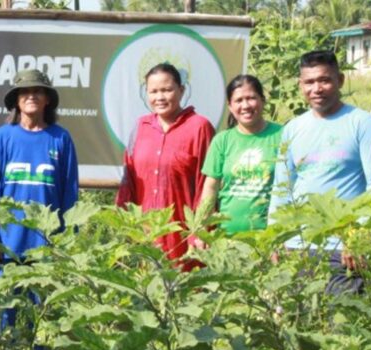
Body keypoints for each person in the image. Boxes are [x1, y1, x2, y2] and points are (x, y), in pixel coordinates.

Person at [268, 50, 371, 294]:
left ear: (340, 81)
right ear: (300, 85)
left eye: (324, 80)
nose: (317, 88)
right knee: (301, 326)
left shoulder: (363, 123)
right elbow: (282, 188)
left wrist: (359, 239)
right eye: (309, 82)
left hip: (344, 248)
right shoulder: (292, 129)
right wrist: (276, 238)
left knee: (343, 324)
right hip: (299, 245)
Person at [0, 69, 79, 350]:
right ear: (16, 100)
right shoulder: (2, 138)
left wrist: (66, 238)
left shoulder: (60, 138)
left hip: (45, 242)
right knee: (4, 302)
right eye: (25, 92)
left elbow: (69, 193)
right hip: (9, 241)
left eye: (38, 91)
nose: (31, 96)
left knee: (42, 304)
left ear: (48, 99)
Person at [115, 63, 215, 270]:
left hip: (184, 240)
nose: (159, 97)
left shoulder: (199, 127)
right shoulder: (140, 127)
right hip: (146, 236)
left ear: (181, 90)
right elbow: (129, 181)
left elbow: (208, 185)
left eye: (167, 90)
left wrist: (200, 231)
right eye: (153, 91)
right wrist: (124, 225)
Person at [196, 75, 282, 238]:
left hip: (268, 238)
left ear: (262, 100)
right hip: (227, 235)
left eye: (251, 98)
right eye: (239, 100)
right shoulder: (222, 140)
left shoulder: (282, 135)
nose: (245, 105)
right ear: (230, 105)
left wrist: (280, 235)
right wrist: (201, 226)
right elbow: (210, 188)